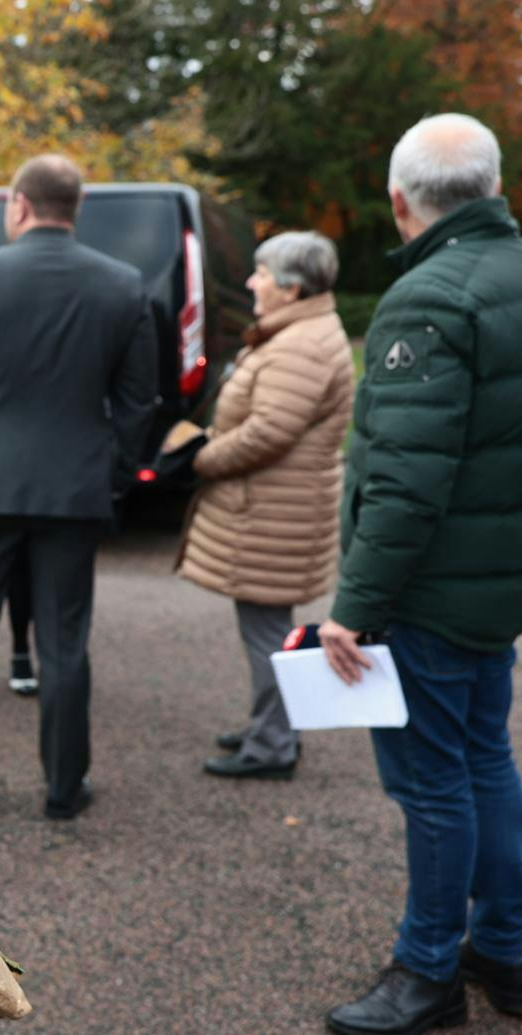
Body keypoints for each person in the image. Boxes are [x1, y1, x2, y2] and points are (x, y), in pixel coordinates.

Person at [321, 113, 522, 1034]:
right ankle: (502, 946)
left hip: (428, 591)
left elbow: (405, 483)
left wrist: (355, 607)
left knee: (433, 782)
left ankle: (427, 972)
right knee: (485, 759)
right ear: (494, 186)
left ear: (399, 201)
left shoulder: (428, 301)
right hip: (500, 582)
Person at [0, 153, 157, 820]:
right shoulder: (122, 284)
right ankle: (63, 788)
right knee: (64, 642)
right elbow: (139, 404)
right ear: (72, 209)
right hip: (74, 491)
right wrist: (112, 473)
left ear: (18, 205)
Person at [177, 231, 354, 779]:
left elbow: (269, 431)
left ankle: (273, 744)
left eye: (261, 273)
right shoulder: (302, 331)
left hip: (273, 513)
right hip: (278, 509)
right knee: (268, 629)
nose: (252, 282)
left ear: (291, 287)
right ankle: (272, 727)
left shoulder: (300, 343)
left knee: (268, 635)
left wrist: (202, 456)